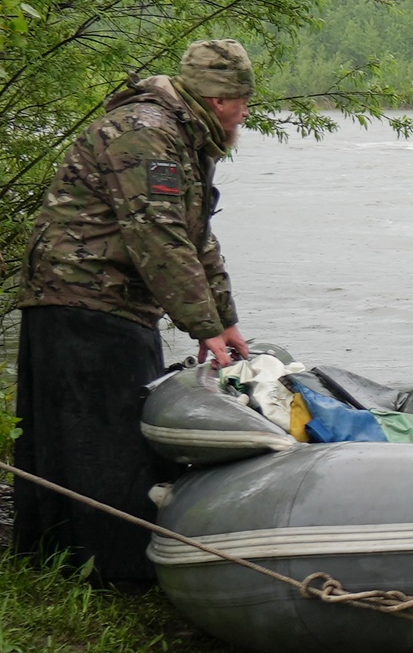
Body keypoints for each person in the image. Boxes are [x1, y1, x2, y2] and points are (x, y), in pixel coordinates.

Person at [14, 39, 256, 590]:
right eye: (244, 101)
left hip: (104, 297)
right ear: (220, 99)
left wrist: (225, 320)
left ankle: (54, 559)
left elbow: (197, 236)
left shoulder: (186, 137)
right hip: (83, 296)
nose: (246, 112)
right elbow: (157, 236)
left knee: (76, 432)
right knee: (109, 438)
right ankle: (114, 572)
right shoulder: (146, 132)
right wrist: (202, 326)